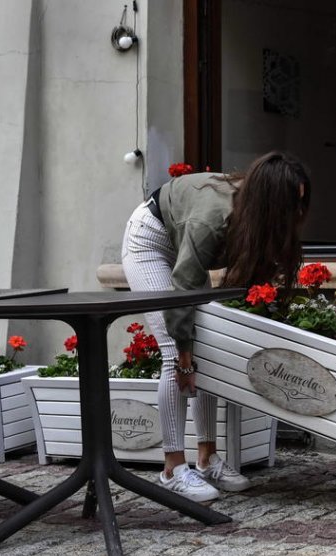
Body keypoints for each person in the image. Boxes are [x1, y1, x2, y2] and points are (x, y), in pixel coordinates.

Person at [121, 152, 311, 502]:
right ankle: (173, 468)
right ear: (268, 199)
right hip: (150, 240)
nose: (294, 214)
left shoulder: (254, 215)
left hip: (182, 250)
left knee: (204, 350)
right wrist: (184, 356)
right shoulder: (213, 216)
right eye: (289, 204)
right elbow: (183, 287)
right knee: (172, 354)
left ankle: (206, 460)